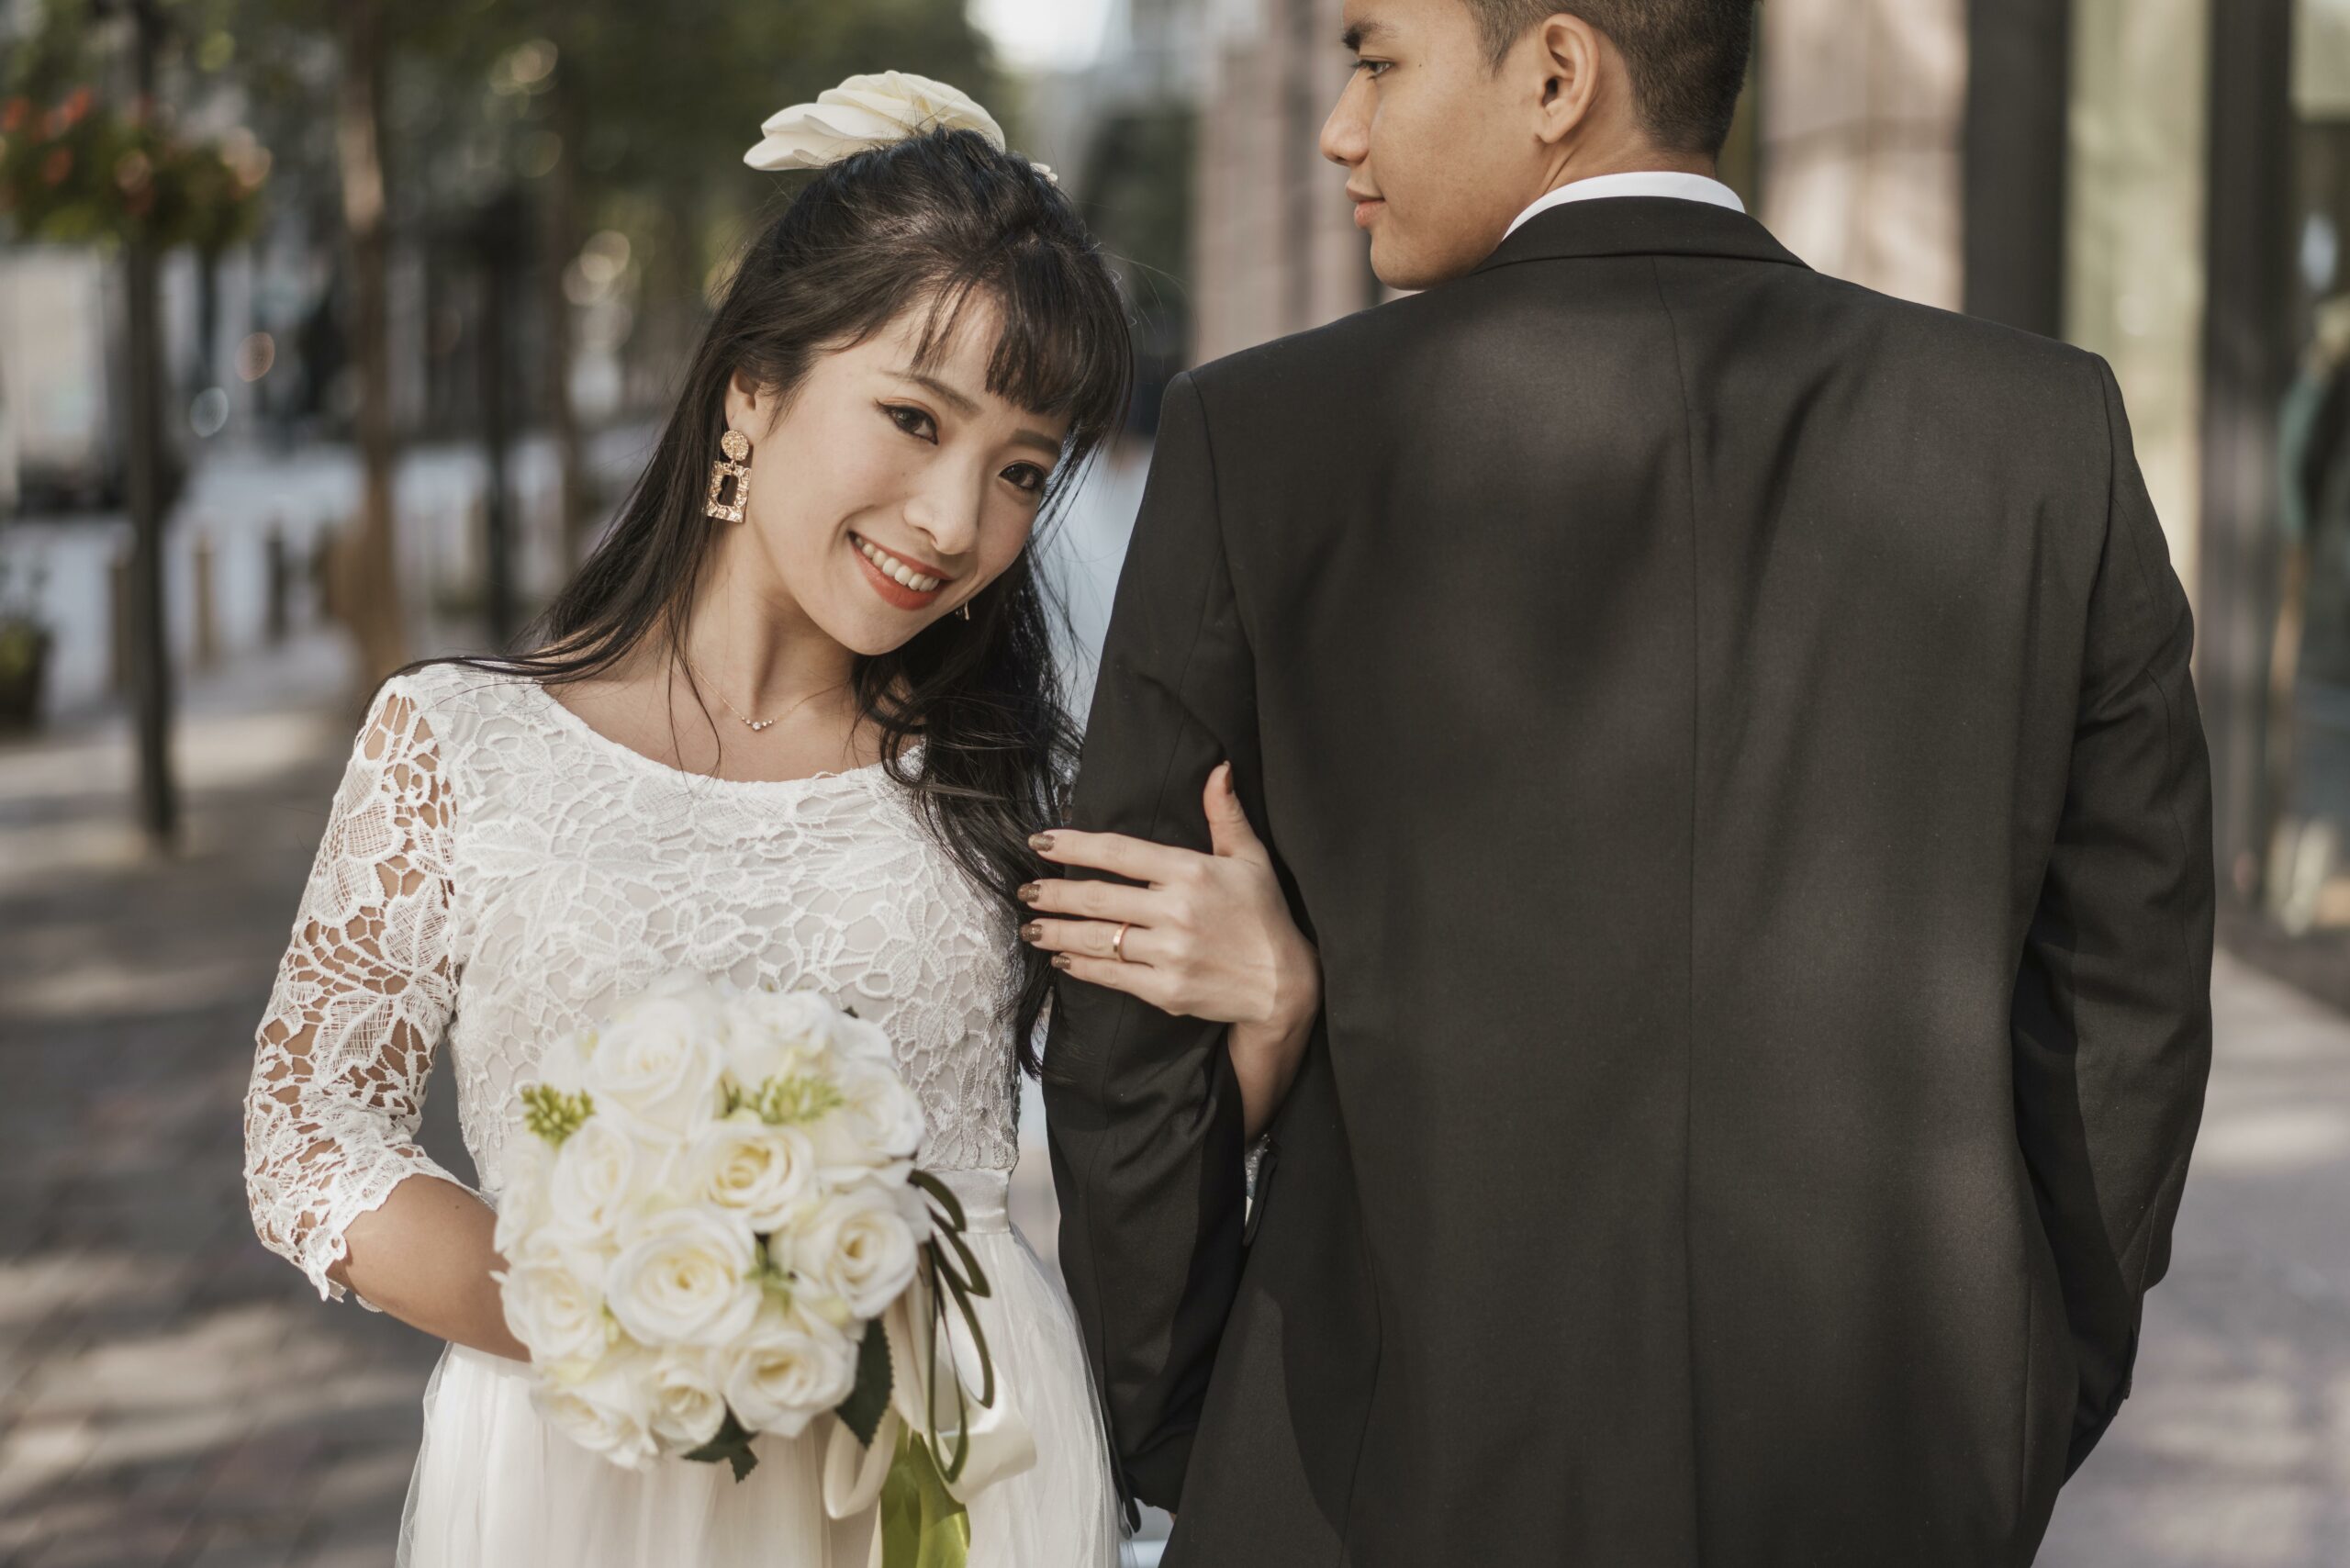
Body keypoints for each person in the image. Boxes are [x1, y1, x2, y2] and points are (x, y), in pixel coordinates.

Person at [1033, 3, 2215, 1563]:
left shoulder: (1261, 439)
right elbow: (2126, 1009)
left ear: (1558, 74)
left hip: (1366, 1478)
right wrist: (2007, 1400)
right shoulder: (2039, 432)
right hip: (1895, 1479)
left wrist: (1197, 1414)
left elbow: (1125, 1018)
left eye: (1377, 59)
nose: (1342, 128)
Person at [240, 74, 1321, 1568]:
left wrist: (1267, 1006)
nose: (956, 522)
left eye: (1019, 471)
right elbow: (310, 1136)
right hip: (580, 1473)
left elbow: (1138, 1167)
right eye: (910, 416)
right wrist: (622, 1323)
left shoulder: (1012, 784)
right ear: (752, 388)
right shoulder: (456, 743)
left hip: (948, 1484)